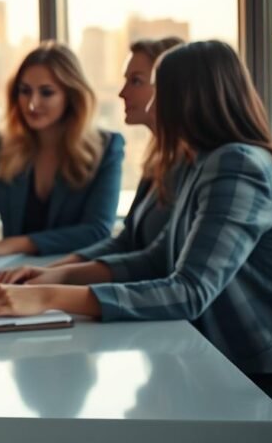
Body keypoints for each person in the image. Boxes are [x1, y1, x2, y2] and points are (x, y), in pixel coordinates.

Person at [0, 41, 272, 404]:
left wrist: (46, 296)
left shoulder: (237, 165)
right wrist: (57, 275)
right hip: (213, 362)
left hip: (253, 375)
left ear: (187, 98)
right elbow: (155, 258)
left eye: (160, 90)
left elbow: (189, 292)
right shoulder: (202, 163)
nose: (152, 103)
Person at [0, 41, 124, 260]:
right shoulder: (0, 145)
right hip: (11, 275)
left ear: (70, 96)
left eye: (46, 93)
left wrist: (15, 244)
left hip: (69, 277)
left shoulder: (106, 147)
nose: (32, 104)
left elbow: (97, 231)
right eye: (25, 91)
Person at [32, 37, 186, 269]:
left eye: (136, 81)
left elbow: (156, 261)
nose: (122, 93)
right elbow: (127, 241)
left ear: (167, 86)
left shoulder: (193, 166)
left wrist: (56, 284)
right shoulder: (156, 161)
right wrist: (53, 271)